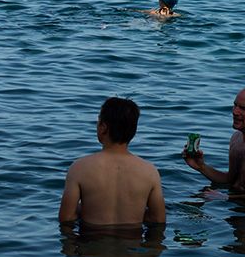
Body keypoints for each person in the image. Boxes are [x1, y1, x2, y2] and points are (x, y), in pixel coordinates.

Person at [59, 97, 167, 230]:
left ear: (103, 127)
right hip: (131, 241)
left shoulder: (79, 168)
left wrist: (87, 209)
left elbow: (67, 218)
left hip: (91, 241)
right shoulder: (150, 172)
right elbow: (158, 219)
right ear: (133, 131)